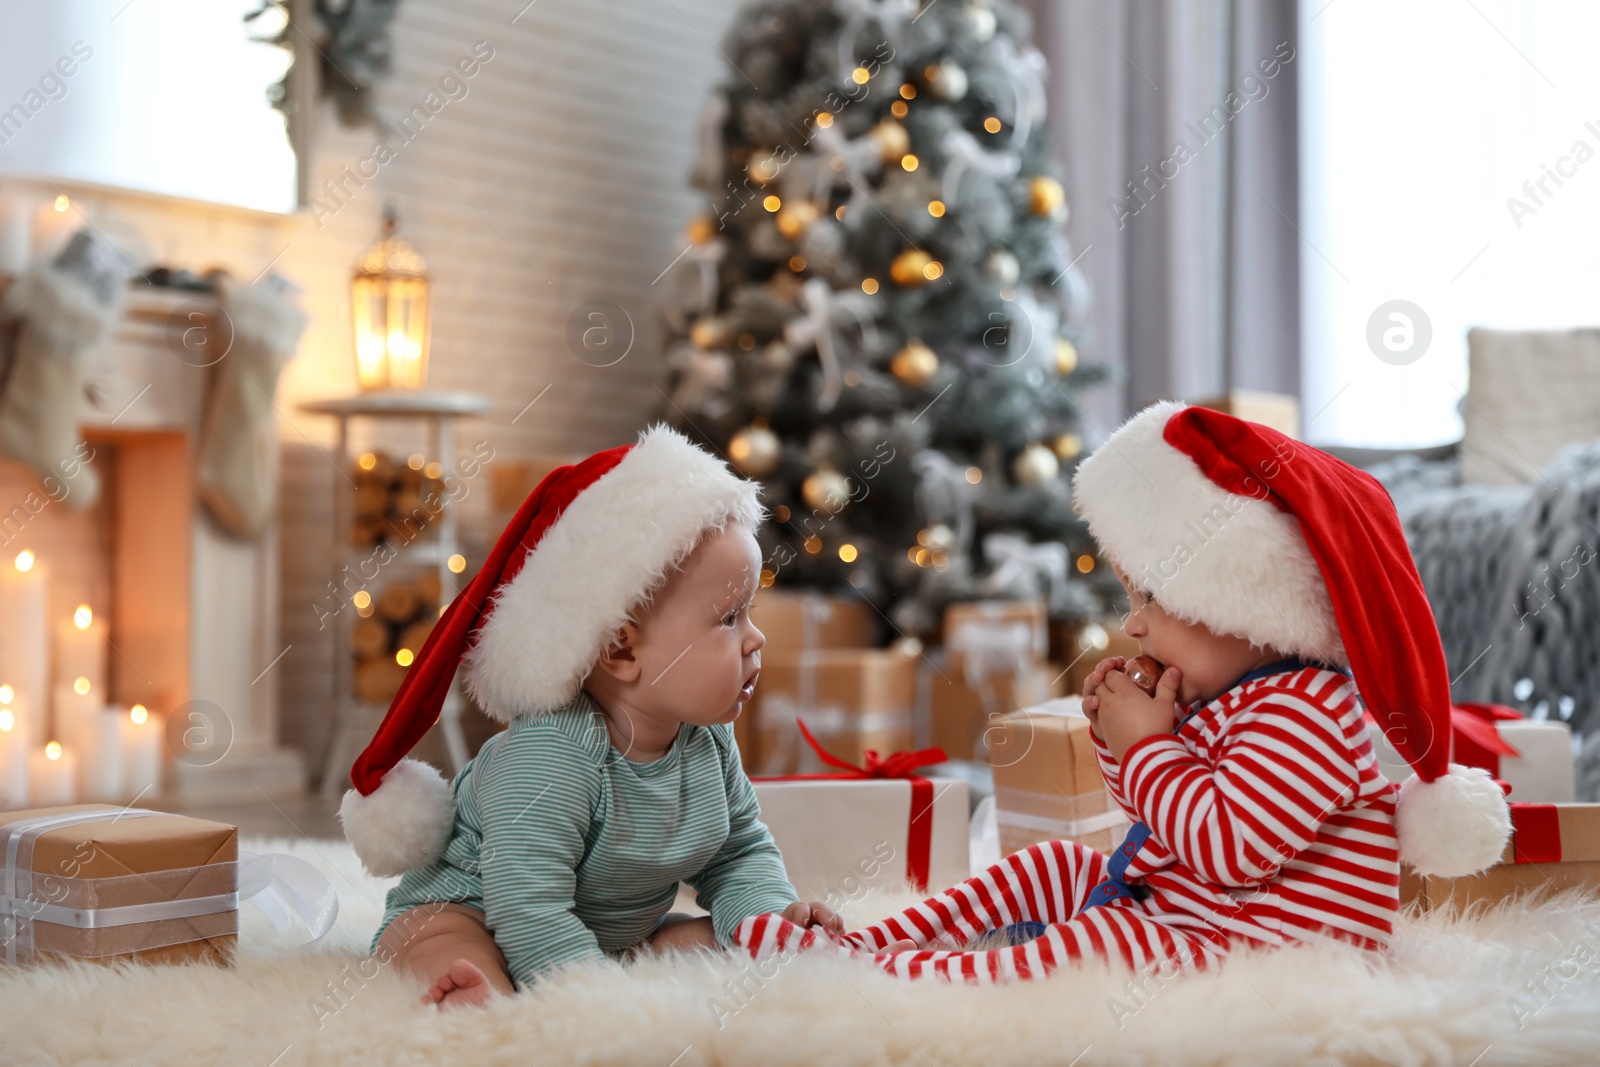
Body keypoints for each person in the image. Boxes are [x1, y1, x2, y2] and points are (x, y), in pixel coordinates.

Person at [734, 401, 1512, 983]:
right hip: (1199, 912)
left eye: (1150, 600)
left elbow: (1229, 848)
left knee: (1101, 942)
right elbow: (1160, 814)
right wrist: (1122, 742)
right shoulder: (1233, 696)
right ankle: (876, 939)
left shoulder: (1307, 715)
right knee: (1054, 867)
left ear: (1243, 605)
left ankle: (904, 979)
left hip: (1262, 950)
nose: (1133, 627)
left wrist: (1147, 743)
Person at [339, 426, 842, 1007]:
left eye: (750, 613)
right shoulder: (550, 755)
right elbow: (526, 901)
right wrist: (591, 1000)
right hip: (476, 907)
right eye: (729, 618)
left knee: (722, 944)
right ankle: (475, 1002)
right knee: (443, 945)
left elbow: (739, 852)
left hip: (611, 935)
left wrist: (767, 921)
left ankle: (619, 963)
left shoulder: (708, 740)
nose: (755, 640)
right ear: (622, 651)